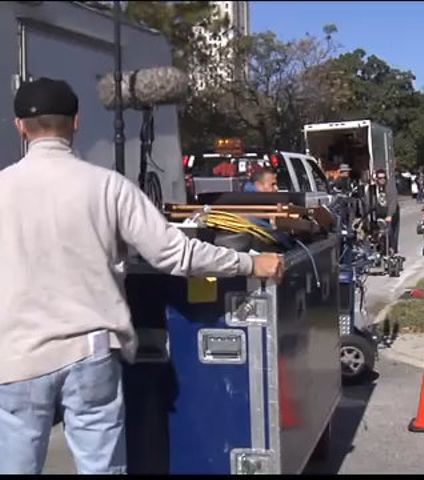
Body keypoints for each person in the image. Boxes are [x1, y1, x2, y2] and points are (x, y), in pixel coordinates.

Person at [0, 78, 285, 474]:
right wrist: (250, 264)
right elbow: (175, 253)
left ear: (20, 127)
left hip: (16, 356)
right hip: (91, 351)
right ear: (76, 122)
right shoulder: (108, 187)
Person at [374, 168, 400, 255]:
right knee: (379, 231)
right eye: (380, 178)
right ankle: (380, 249)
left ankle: (392, 249)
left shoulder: (390, 187)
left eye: (384, 178)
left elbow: (393, 201)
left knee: (391, 232)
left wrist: (390, 215)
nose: (382, 180)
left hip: (392, 211)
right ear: (376, 179)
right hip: (381, 211)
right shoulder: (375, 188)